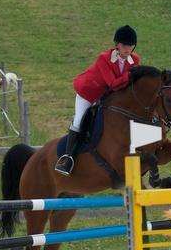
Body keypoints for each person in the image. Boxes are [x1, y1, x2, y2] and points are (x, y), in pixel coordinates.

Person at [55, 25, 141, 176]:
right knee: (79, 120)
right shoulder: (104, 58)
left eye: (131, 45)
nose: (128, 49)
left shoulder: (135, 60)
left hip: (107, 96)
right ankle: (67, 158)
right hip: (89, 92)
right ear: (117, 44)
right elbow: (113, 83)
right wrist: (130, 75)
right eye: (124, 45)